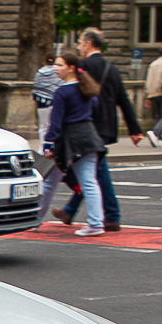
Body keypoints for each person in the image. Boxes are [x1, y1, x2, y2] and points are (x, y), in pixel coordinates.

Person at [57, 28, 142, 231]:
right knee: (90, 171)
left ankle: (111, 215)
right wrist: (134, 129)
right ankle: (70, 211)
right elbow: (123, 99)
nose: (78, 47)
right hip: (106, 125)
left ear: (88, 43)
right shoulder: (111, 68)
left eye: (79, 42)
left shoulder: (82, 67)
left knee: (95, 173)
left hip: (87, 126)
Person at [44, 49, 106, 237]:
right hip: (89, 136)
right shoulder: (86, 88)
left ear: (71, 68)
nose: (56, 68)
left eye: (60, 65)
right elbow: (94, 108)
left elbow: (56, 121)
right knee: (90, 181)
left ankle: (35, 218)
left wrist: (48, 143)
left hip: (70, 140)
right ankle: (96, 222)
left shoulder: (62, 92)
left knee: (49, 181)